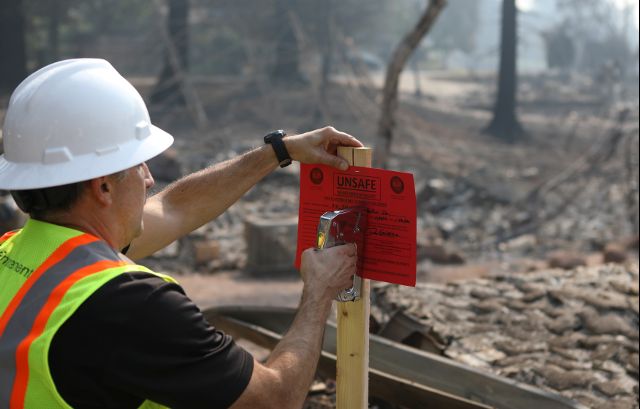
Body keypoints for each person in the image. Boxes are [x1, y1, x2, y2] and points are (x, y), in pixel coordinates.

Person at [0, 58, 363, 409]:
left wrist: (278, 152)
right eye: (139, 163)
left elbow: (174, 208)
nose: (149, 178)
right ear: (103, 188)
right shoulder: (134, 305)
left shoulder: (16, 253)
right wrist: (318, 291)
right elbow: (274, 401)